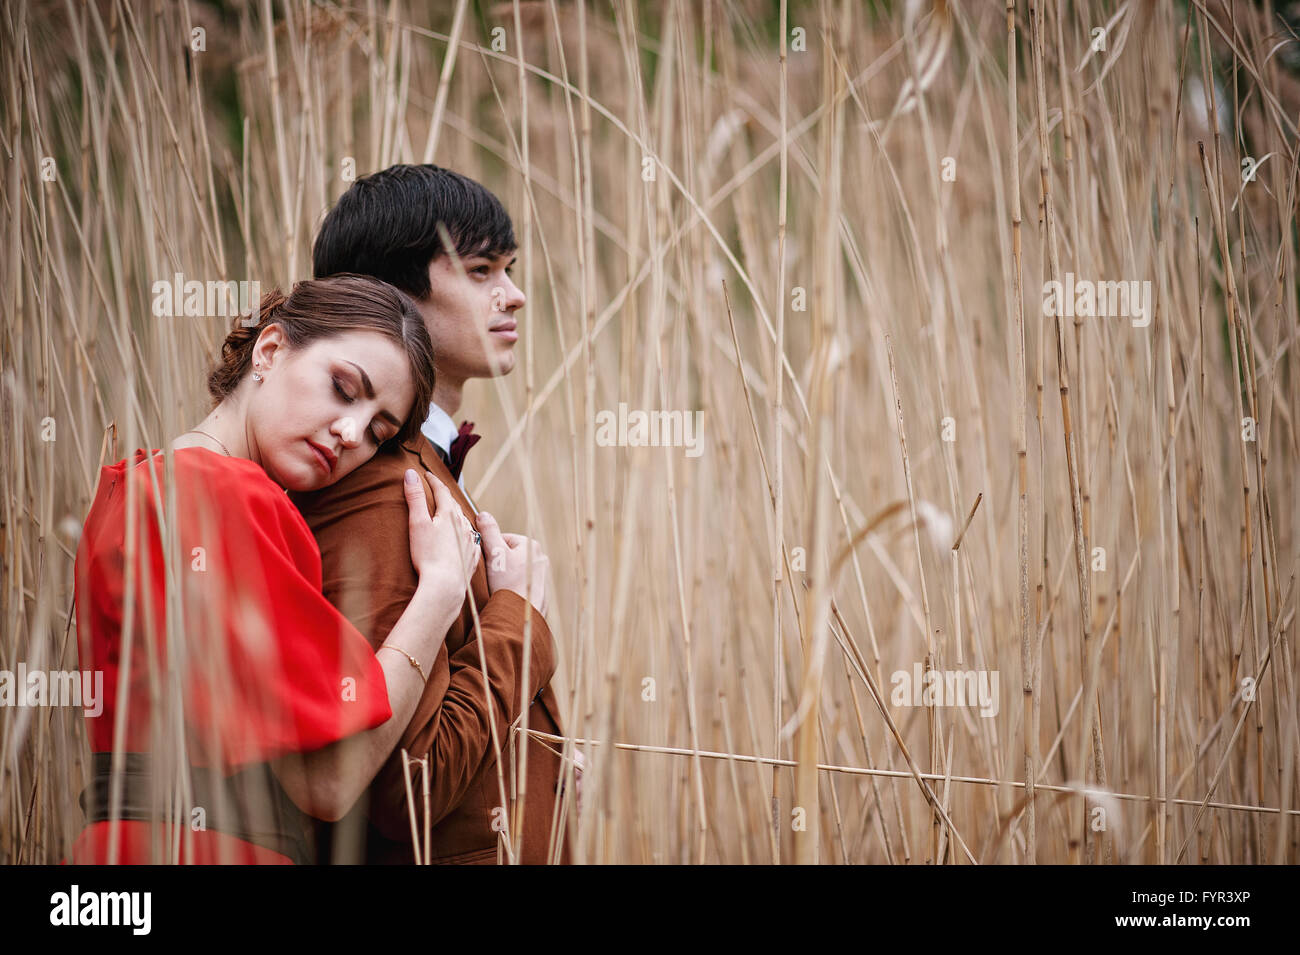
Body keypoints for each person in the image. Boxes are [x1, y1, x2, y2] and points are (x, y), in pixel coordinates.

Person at [69, 275, 481, 864]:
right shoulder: (229, 497)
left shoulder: (132, 485)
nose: (349, 433)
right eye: (342, 388)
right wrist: (440, 593)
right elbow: (329, 782)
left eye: (377, 431)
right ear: (269, 350)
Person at [295, 163, 571, 864]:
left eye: (509, 269)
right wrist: (518, 620)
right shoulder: (382, 486)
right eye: (482, 270)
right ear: (390, 299)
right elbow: (408, 786)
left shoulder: (424, 472)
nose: (515, 295)